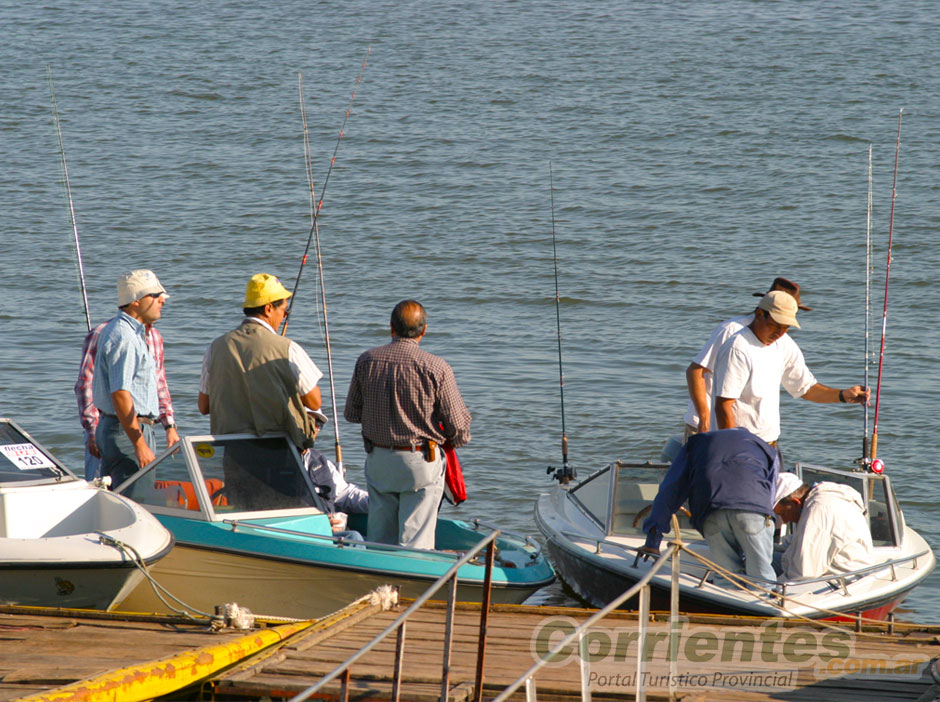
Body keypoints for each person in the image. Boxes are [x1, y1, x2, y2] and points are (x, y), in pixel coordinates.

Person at [344, 300, 471, 550]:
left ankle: (381, 585)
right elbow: (458, 428)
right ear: (424, 331)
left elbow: (351, 413)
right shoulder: (437, 367)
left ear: (391, 327)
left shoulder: (367, 360)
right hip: (420, 461)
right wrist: (453, 439)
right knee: (416, 544)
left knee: (379, 540)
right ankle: (411, 586)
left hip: (379, 458)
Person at [712, 290, 870, 445]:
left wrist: (843, 395)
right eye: (775, 325)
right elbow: (724, 406)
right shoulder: (738, 348)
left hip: (770, 445)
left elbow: (805, 388)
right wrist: (734, 451)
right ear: (759, 314)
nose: (780, 333)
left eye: (786, 327)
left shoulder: (784, 344)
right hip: (742, 446)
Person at [641, 428, 792, 584]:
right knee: (762, 579)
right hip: (754, 511)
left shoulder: (695, 444)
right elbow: (772, 493)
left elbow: (670, 491)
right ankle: (764, 605)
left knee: (726, 579)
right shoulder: (766, 449)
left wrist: (653, 540)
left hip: (711, 512)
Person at [198, 273, 322, 449]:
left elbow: (204, 406)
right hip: (278, 449)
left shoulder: (215, 347)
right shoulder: (287, 348)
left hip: (232, 449)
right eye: (284, 310)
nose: (284, 316)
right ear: (269, 309)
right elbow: (314, 402)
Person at [684, 277, 811, 440]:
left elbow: (804, 386)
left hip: (747, 437)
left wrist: (842, 395)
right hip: (707, 428)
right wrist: (704, 418)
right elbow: (696, 371)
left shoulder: (782, 341)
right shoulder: (731, 331)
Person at [92, 270, 170, 486]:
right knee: (135, 504)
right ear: (135, 301)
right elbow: (119, 393)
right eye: (155, 296)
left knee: (118, 501)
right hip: (128, 431)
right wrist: (139, 443)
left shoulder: (127, 332)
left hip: (122, 429)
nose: (161, 300)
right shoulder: (124, 336)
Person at [76, 319, 178, 481]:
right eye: (155, 297)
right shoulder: (102, 333)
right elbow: (85, 385)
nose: (160, 303)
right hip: (108, 427)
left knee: (139, 490)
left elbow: (159, 384)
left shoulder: (155, 336)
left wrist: (169, 426)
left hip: (146, 426)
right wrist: (92, 430)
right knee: (101, 488)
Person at [774, 476, 875, 580]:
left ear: (795, 502)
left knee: (763, 566)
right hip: (836, 568)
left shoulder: (819, 508)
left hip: (842, 577)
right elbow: (797, 541)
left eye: (782, 513)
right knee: (762, 558)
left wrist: (773, 588)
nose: (784, 521)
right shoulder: (821, 499)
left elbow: (804, 572)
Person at [303, 408, 369, 516]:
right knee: (353, 534)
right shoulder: (278, 461)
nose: (315, 428)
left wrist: (380, 502)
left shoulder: (321, 462)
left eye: (318, 423)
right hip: (303, 528)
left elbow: (345, 494)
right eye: (308, 421)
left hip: (327, 526)